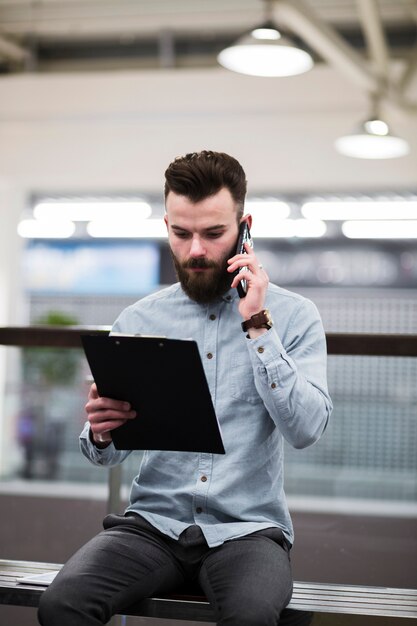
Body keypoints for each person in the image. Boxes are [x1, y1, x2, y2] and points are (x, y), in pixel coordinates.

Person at [38, 150, 332, 626]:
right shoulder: (139, 319)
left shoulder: (295, 317)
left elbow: (306, 429)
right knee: (61, 605)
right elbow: (103, 455)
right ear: (167, 226)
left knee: (253, 617)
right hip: (152, 526)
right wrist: (102, 432)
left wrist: (257, 326)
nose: (196, 250)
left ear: (244, 227)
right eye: (181, 233)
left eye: (213, 234)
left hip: (248, 531)